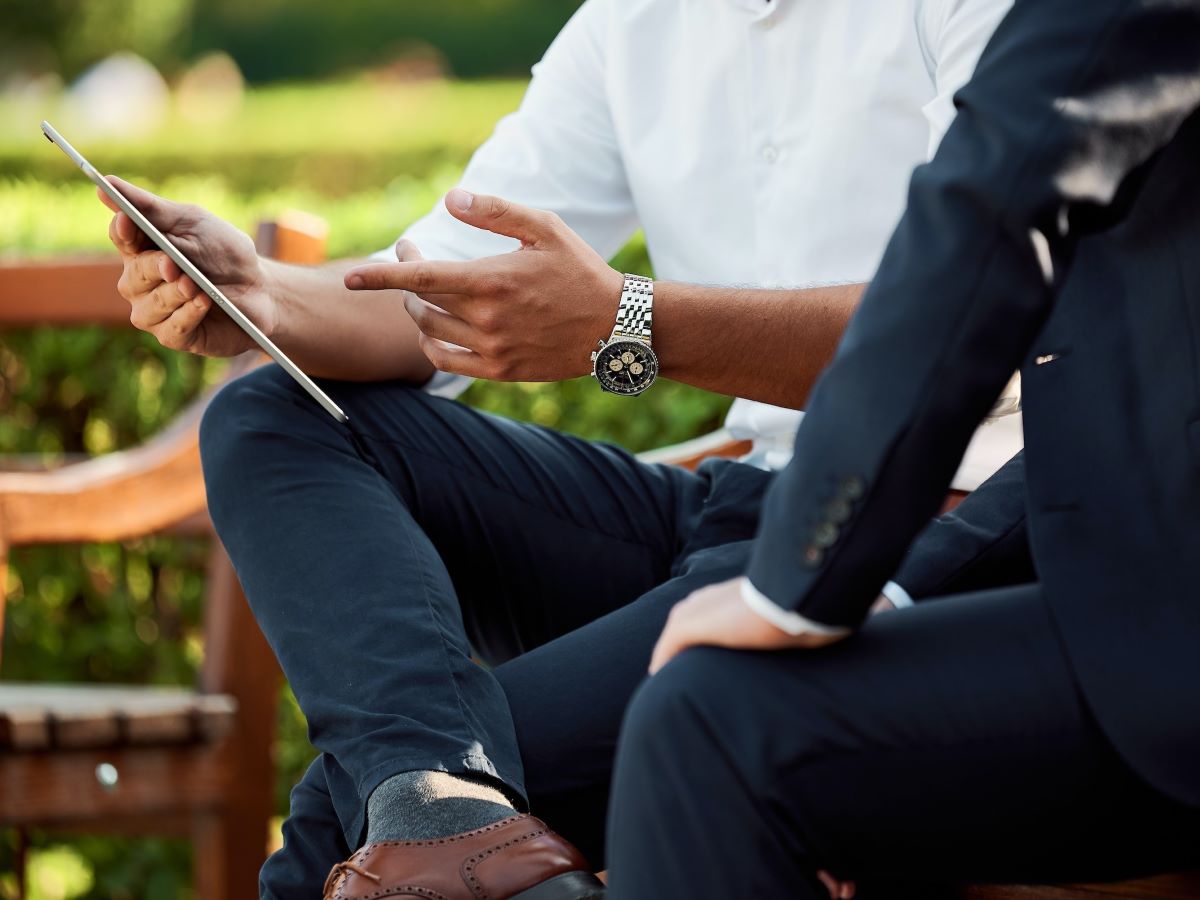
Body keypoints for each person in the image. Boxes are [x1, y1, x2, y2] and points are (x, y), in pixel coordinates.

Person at [100, 0, 1019, 896]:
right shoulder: (632, 22)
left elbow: (970, 322)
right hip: (735, 504)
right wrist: (259, 294)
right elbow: (438, 290)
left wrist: (631, 321)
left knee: (345, 824)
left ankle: (436, 809)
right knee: (272, 416)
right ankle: (441, 804)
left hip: (926, 530)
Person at [600, 0, 1200, 896]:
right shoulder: (624, 28)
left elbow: (985, 219)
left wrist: (799, 585)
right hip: (755, 511)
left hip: (1146, 630)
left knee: (710, 724)